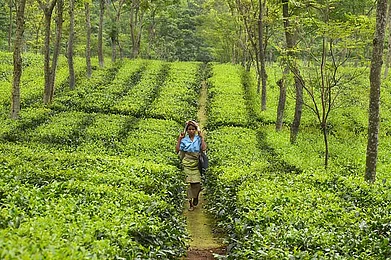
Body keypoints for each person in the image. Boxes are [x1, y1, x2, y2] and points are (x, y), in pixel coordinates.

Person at [175, 120, 207, 211]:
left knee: (197, 184)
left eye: (193, 129)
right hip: (187, 163)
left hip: (196, 164)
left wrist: (202, 137)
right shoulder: (184, 140)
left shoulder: (198, 139)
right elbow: (177, 150)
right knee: (188, 184)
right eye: (189, 129)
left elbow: (204, 148)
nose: (191, 131)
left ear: (195, 130)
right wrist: (179, 139)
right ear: (187, 130)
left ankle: (196, 197)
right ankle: (190, 204)